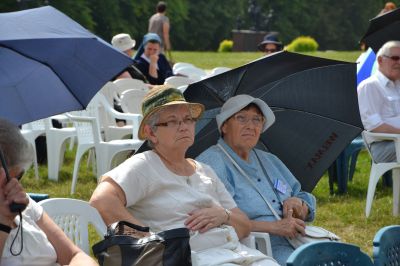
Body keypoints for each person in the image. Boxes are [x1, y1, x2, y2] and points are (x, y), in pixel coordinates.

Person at [89, 85, 278, 266]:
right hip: (195, 259)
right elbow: (102, 201)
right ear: (150, 132)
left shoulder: (205, 170)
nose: (183, 127)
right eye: (172, 121)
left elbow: (244, 226)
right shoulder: (145, 165)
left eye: (188, 119)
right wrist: (152, 242)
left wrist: (224, 215)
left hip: (240, 254)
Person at [196, 95, 316, 265]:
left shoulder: (269, 159)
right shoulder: (212, 163)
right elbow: (220, 222)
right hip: (257, 249)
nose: (251, 126)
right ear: (224, 126)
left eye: (257, 120)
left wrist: (299, 204)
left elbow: (302, 194)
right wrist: (275, 227)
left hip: (299, 240)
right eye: (241, 118)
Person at [0, 118, 97, 266]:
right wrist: (4, 221)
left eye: (20, 176)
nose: (15, 184)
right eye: (10, 178)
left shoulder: (25, 204)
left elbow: (74, 254)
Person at [358, 40, 400, 163]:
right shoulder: (369, 86)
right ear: (380, 60)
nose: (399, 62)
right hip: (383, 146)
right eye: (395, 58)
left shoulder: (397, 85)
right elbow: (375, 126)